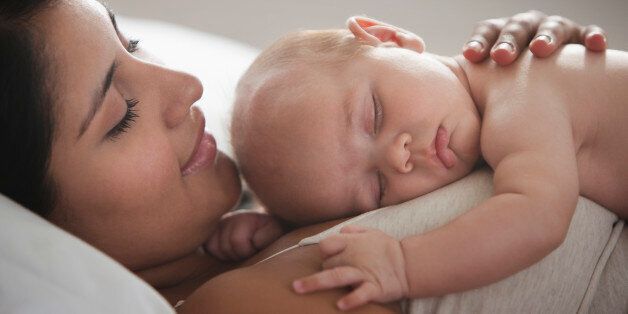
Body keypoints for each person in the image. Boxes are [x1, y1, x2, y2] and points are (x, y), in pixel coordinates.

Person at [0, 0, 610, 311]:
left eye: (131, 40)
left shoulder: (270, 214)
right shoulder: (241, 303)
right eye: (121, 115)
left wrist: (538, 70)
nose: (186, 84)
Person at [230, 15, 626, 311]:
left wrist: (404, 266)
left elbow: (536, 219)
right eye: (377, 188)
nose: (397, 156)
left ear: (389, 38)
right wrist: (278, 226)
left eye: (375, 116)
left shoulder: (518, 95)